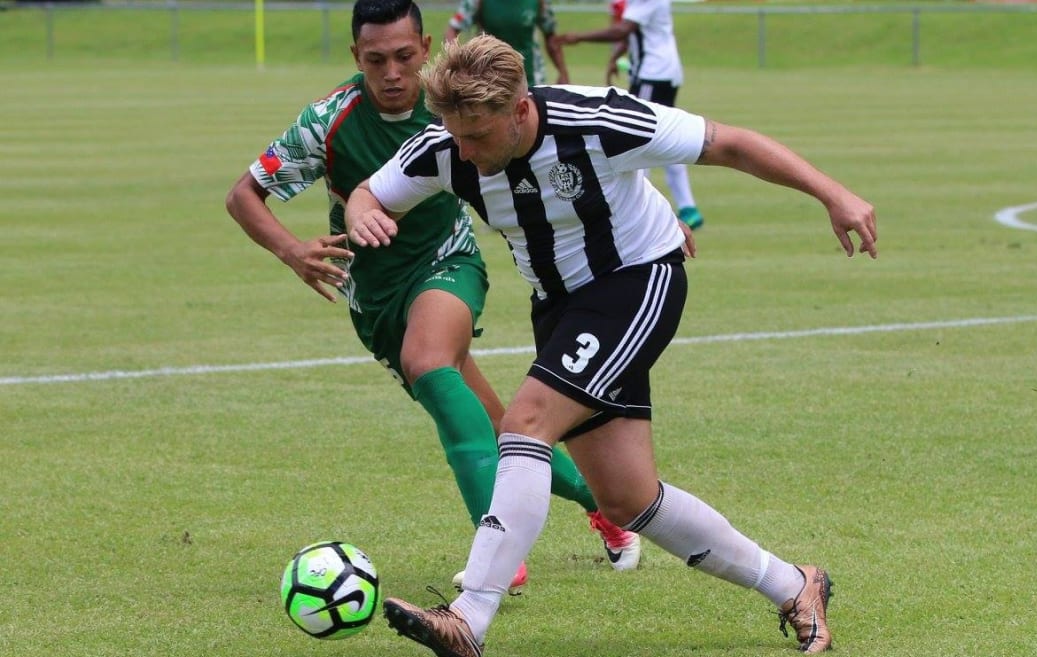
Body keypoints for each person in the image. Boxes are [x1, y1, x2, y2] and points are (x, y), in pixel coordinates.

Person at [345, 34, 877, 656]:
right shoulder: (449, 147)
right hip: (561, 307)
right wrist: (361, 211)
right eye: (456, 135)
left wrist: (832, 194)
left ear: (519, 110)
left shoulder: (598, 120)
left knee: (525, 424)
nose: (464, 151)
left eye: (478, 136)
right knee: (626, 498)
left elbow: (728, 143)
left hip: (635, 283)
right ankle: (796, 585)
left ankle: (469, 617)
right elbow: (372, 191)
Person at [224, 0, 641, 596]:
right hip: (376, 299)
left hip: (449, 262)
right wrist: (292, 250)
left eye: (402, 56)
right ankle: (604, 508)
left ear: (424, 48)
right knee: (500, 431)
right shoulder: (328, 121)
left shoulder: (453, 103)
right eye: (375, 61)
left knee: (429, 361)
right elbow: (244, 194)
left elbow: (570, 145)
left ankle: (497, 557)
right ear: (356, 58)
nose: (391, 73)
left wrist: (648, 220)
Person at [556, 0, 704, 230]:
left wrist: (578, 37)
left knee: (640, 139)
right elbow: (632, 33)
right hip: (662, 73)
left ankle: (638, 211)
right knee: (667, 135)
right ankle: (688, 208)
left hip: (653, 74)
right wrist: (615, 58)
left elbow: (622, 30)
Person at [444, 0, 571, 86]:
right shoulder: (476, 2)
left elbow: (550, 36)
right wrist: (456, 63)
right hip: (488, 77)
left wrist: (563, 73)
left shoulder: (539, 2)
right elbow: (453, 29)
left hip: (531, 77)